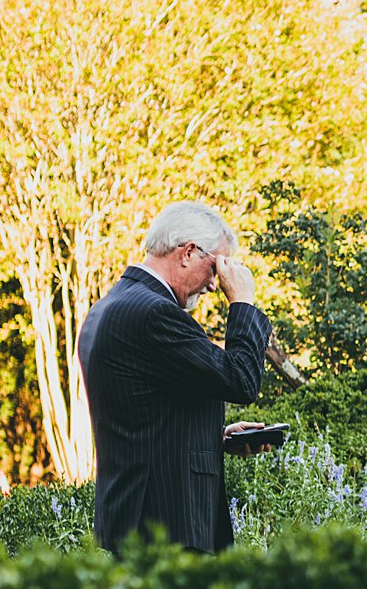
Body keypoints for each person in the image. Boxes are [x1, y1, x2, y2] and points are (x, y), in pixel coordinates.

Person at [78, 200, 271, 554]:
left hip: (132, 521)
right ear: (188, 253)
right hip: (166, 527)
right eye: (216, 267)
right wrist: (243, 302)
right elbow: (241, 380)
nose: (215, 285)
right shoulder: (154, 314)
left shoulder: (109, 306)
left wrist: (217, 436)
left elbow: (141, 417)